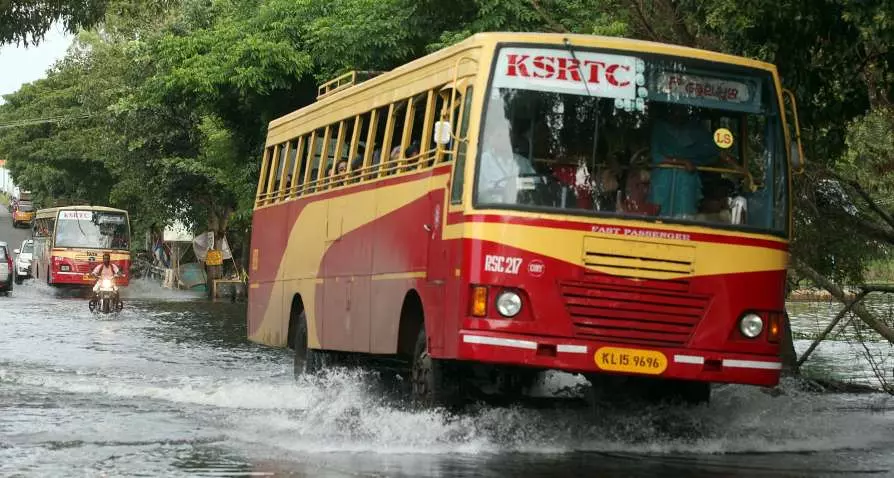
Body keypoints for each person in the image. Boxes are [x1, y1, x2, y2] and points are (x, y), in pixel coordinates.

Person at [648, 107, 738, 218]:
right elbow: (656, 156)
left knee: (685, 217)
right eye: (674, 108)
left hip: (687, 181)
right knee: (656, 216)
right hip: (662, 181)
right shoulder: (659, 128)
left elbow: (717, 151)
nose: (678, 113)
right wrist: (682, 162)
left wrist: (739, 169)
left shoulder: (696, 130)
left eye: (681, 109)